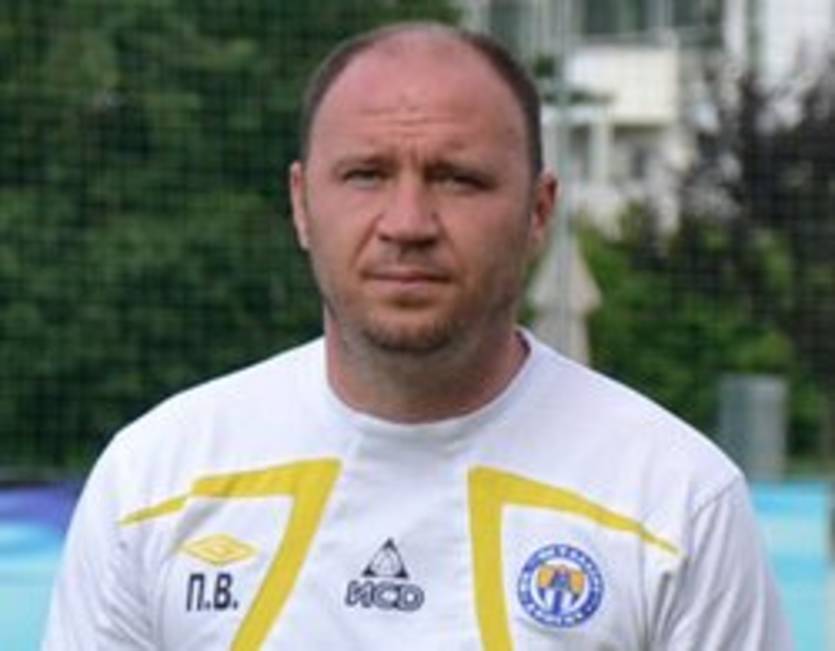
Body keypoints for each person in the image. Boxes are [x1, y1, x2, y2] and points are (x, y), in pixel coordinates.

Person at [43, 21, 792, 650]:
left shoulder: (675, 504)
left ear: (538, 211)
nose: (407, 224)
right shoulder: (155, 483)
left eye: (458, 178)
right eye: (365, 175)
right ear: (302, 204)